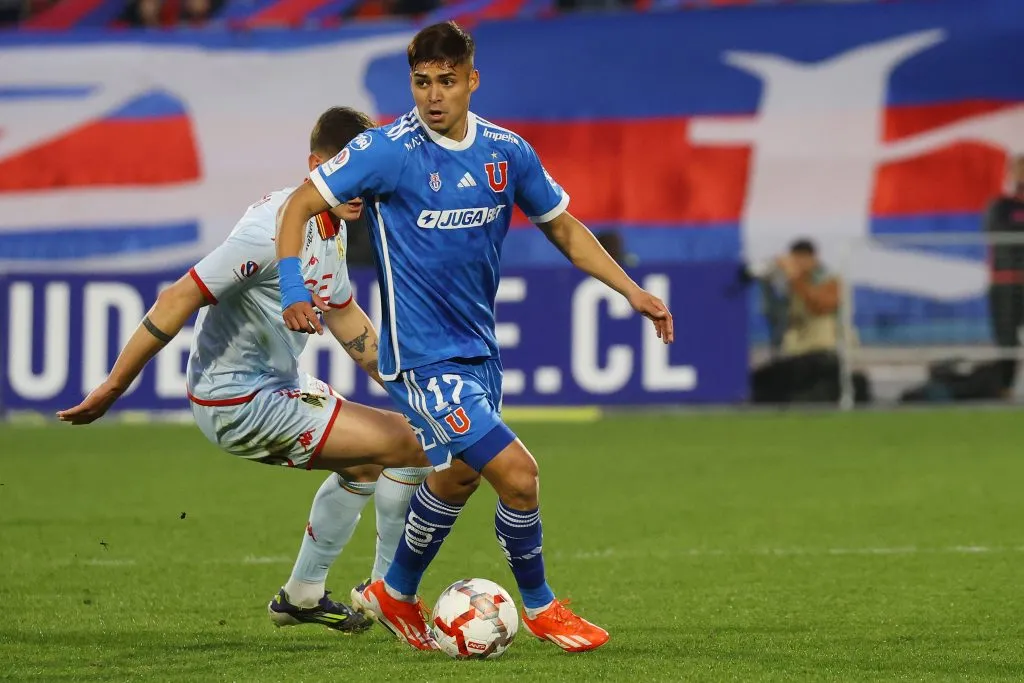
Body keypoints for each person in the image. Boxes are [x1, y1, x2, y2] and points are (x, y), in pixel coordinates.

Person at [275, 21, 674, 653]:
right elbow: (297, 206)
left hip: (479, 353)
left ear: (471, 80)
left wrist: (632, 290)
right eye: (422, 82)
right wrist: (295, 287)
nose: (433, 95)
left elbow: (563, 227)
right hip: (422, 359)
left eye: (447, 82)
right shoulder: (386, 150)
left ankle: (393, 592)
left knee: (459, 475)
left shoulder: (506, 153)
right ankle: (542, 608)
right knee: (518, 475)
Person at [57, 106, 432, 635]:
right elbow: (179, 296)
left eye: (362, 175)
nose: (354, 188)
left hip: (278, 385)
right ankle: (390, 595)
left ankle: (303, 594)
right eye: (341, 171)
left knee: (367, 465)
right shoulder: (270, 229)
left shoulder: (332, 222)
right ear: (314, 165)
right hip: (239, 400)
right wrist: (114, 385)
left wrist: (410, 390)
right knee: (410, 446)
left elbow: (345, 315)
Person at [749, 238, 868, 404]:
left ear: (813, 259)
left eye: (800, 260)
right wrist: (767, 282)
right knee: (759, 384)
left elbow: (821, 305)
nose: (796, 265)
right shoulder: (789, 288)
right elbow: (773, 316)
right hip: (799, 356)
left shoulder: (830, 280)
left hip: (826, 354)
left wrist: (795, 278)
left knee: (804, 396)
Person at [983, 154, 1024, 396]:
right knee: (1006, 340)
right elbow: (998, 236)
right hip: (1006, 283)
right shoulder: (999, 206)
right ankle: (1004, 389)